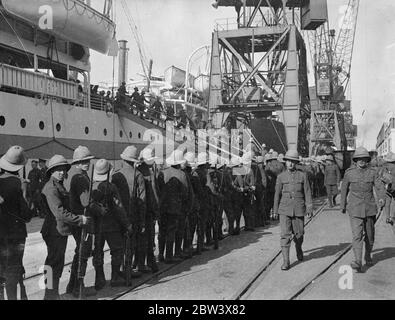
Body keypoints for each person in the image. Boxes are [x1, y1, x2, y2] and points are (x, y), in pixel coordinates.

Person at [41, 155, 89, 300]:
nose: (62, 172)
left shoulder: (58, 185)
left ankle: (51, 294)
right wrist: (79, 219)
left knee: (55, 263)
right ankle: (50, 295)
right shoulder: (51, 188)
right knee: (53, 264)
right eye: (58, 170)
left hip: (58, 230)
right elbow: (60, 212)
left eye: (63, 169)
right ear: (51, 171)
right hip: (54, 230)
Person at [340, 147, 386, 272]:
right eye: (359, 159)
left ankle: (367, 255)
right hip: (354, 209)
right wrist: (343, 204)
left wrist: (382, 198)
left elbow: (380, 186)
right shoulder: (349, 173)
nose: (361, 161)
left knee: (370, 237)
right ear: (355, 160)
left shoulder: (372, 172)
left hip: (370, 208)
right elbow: (344, 189)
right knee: (357, 235)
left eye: (364, 159)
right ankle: (358, 261)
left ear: (367, 160)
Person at [91, 159, 132, 289]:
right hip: (111, 225)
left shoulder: (91, 185)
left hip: (96, 226)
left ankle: (99, 279)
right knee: (117, 250)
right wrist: (126, 224)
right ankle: (114, 277)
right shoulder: (111, 187)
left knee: (97, 252)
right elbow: (118, 207)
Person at [0, 146, 33, 300]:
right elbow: (26, 215)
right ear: (20, 166)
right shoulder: (20, 183)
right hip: (15, 235)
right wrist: (26, 193)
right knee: (13, 270)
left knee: (1, 269)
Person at [273, 149, 313, 271]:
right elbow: (277, 194)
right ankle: (286, 261)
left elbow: (307, 192)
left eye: (292, 161)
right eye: (288, 161)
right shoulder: (281, 177)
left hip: (299, 209)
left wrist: (309, 207)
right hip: (284, 209)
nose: (290, 164)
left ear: (296, 163)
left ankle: (299, 248)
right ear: (285, 162)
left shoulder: (302, 176)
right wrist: (275, 210)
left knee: (299, 234)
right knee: (285, 235)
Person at [66, 146, 97, 298]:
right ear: (77, 163)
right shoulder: (80, 178)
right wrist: (99, 208)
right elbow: (86, 202)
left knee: (80, 252)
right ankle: (78, 287)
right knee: (82, 254)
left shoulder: (80, 176)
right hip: (82, 221)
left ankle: (72, 286)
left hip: (78, 221)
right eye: (83, 161)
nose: (87, 163)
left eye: (88, 160)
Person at [111, 146, 146, 278]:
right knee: (130, 243)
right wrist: (142, 221)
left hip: (118, 215)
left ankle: (119, 270)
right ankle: (128, 269)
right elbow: (142, 201)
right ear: (134, 161)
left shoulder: (116, 174)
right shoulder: (138, 175)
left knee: (119, 244)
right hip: (133, 215)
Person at [157, 150, 189, 263]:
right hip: (175, 208)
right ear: (179, 163)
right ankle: (170, 255)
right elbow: (186, 194)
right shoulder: (182, 174)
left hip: (162, 207)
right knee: (172, 231)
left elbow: (158, 189)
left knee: (162, 231)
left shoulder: (162, 173)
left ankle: (160, 254)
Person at [137, 148, 160, 272]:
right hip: (148, 210)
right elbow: (153, 194)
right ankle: (149, 262)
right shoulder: (147, 173)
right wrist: (156, 210)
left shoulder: (139, 170)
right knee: (149, 238)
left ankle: (141, 263)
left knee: (143, 238)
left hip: (143, 209)